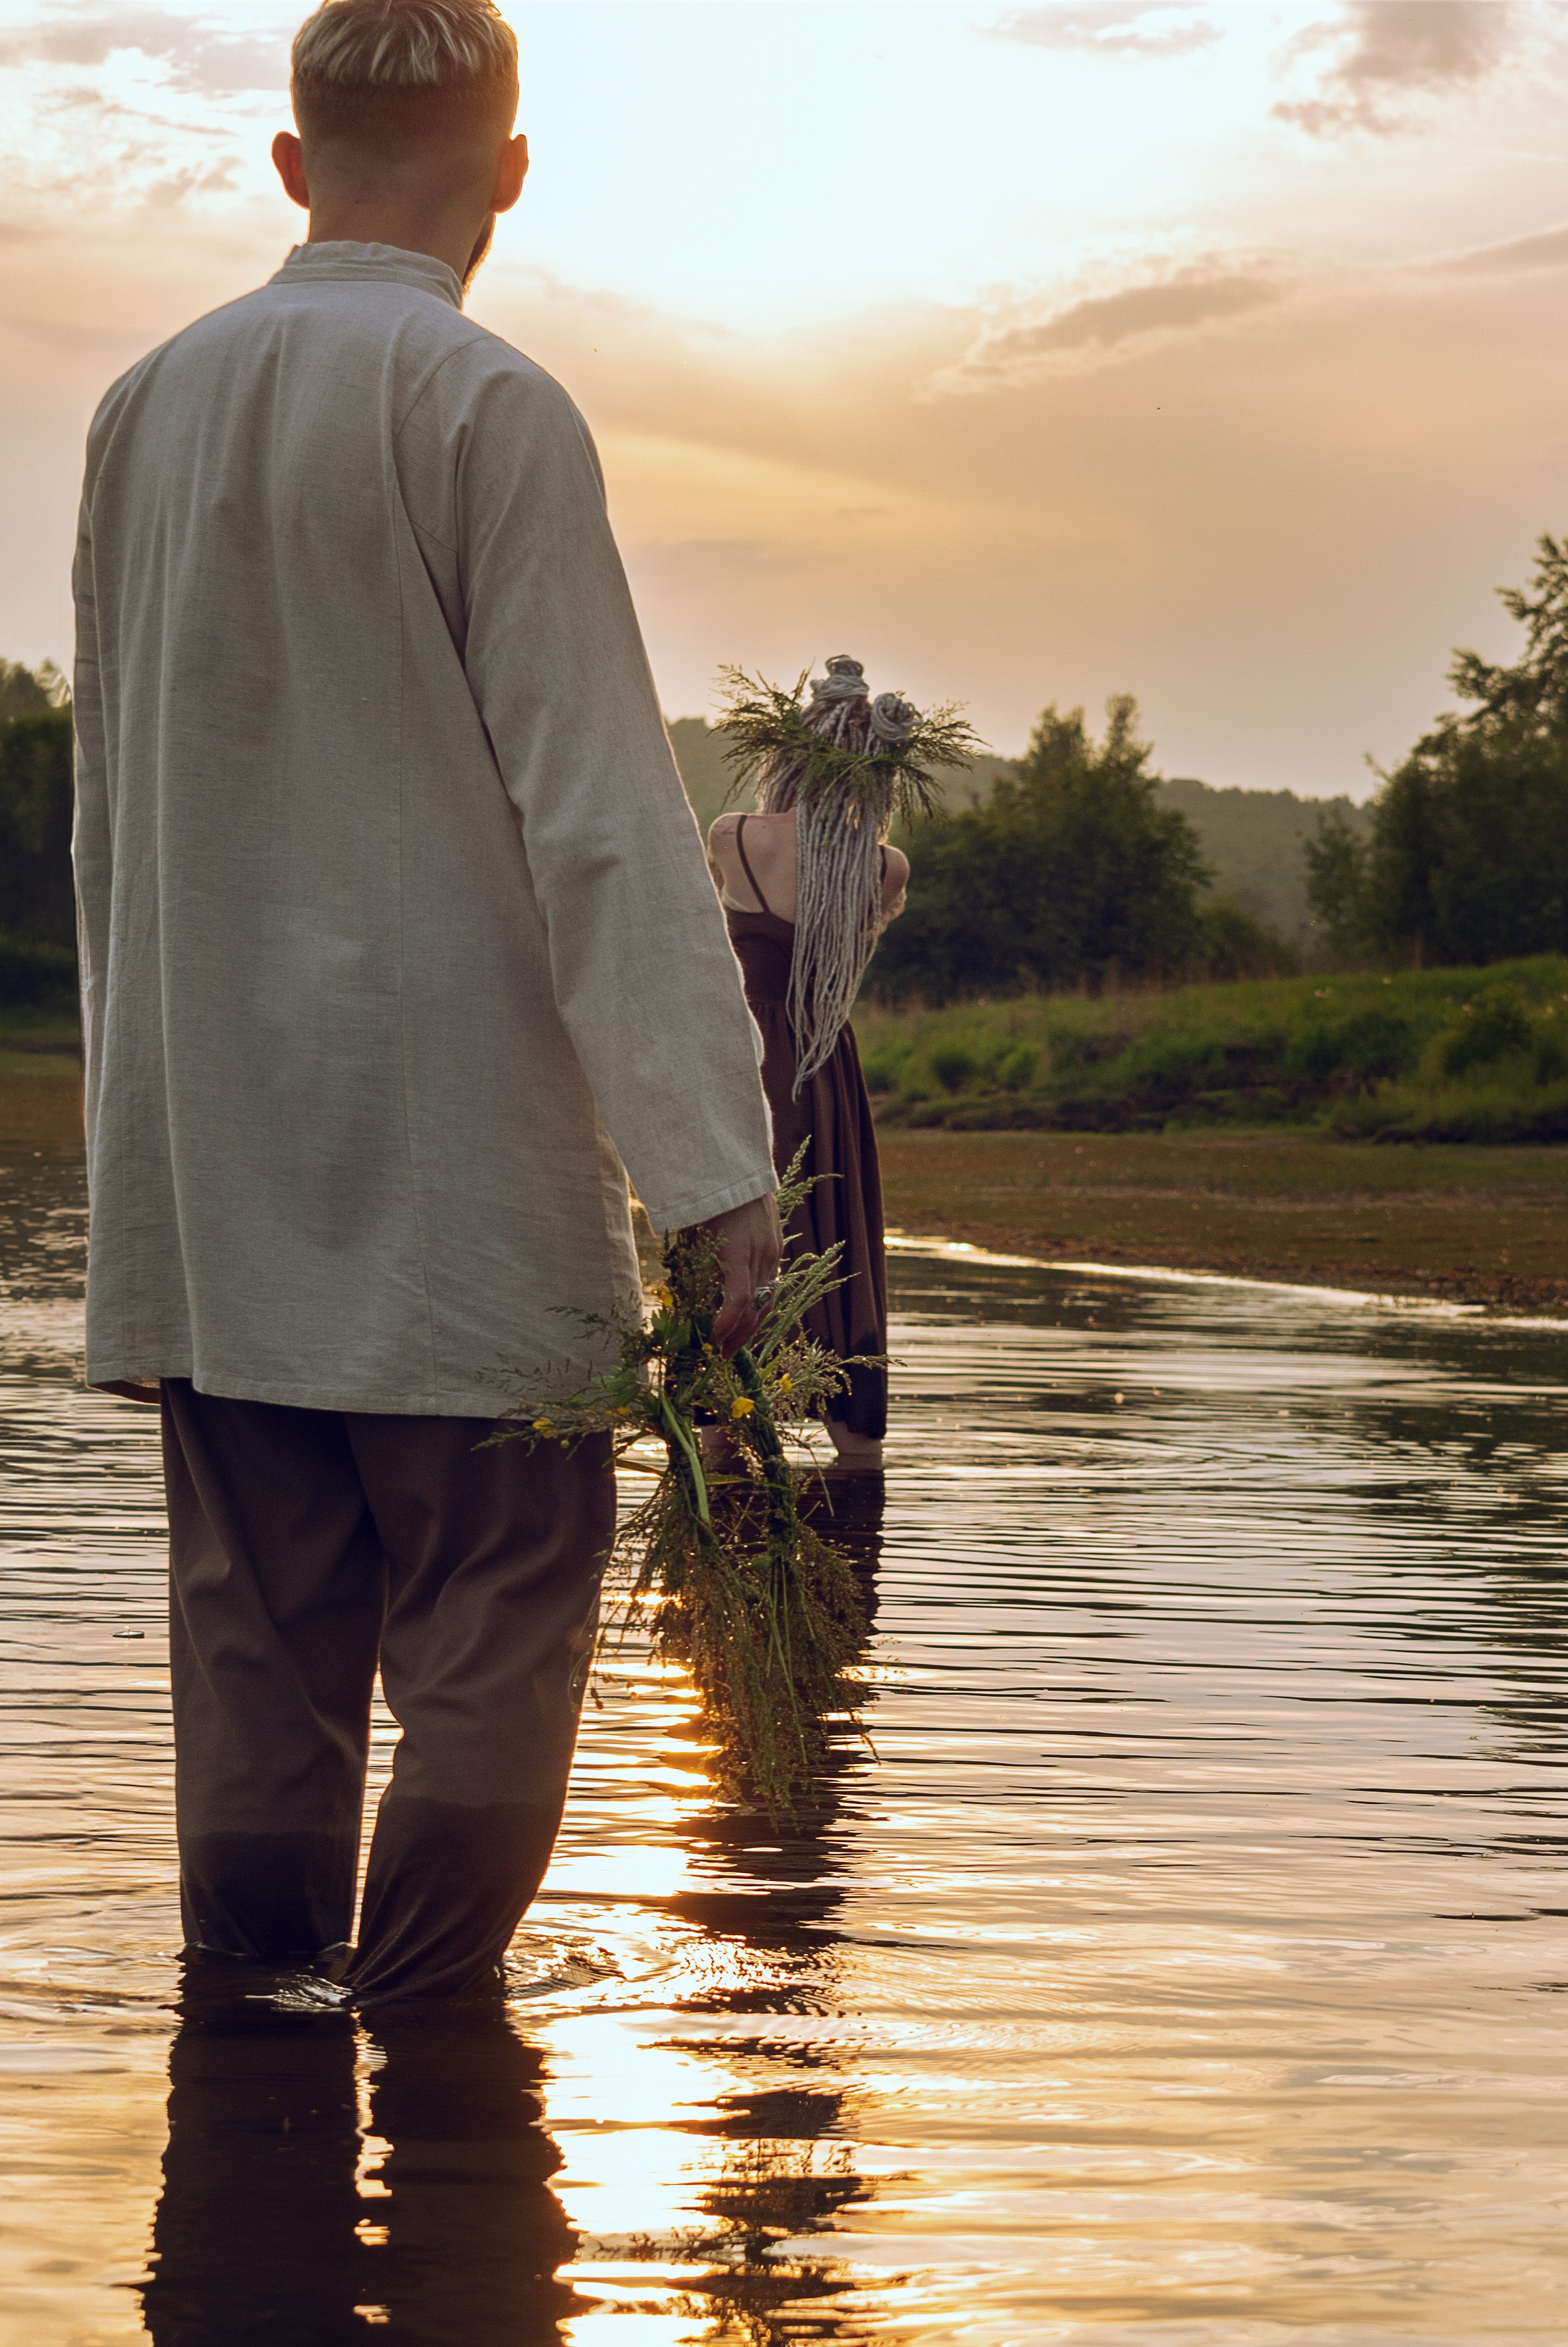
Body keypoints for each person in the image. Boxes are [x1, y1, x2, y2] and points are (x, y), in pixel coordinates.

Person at [70, 0, 782, 2005]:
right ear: (512, 173)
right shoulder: (486, 404)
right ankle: (430, 2059)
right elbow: (604, 823)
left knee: (253, 1648)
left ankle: (259, 2120)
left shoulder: (142, 406)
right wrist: (715, 1175)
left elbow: (114, 824)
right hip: (461, 1187)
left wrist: (146, 1218)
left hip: (222, 1174)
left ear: (289, 167)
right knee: (490, 1627)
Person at [706, 656, 913, 1473]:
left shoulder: (734, 836)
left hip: (745, 1056)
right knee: (836, 1237)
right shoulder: (887, 864)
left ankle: (717, 1442)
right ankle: (852, 1447)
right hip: (823, 1063)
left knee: (732, 1238)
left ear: (789, 753)